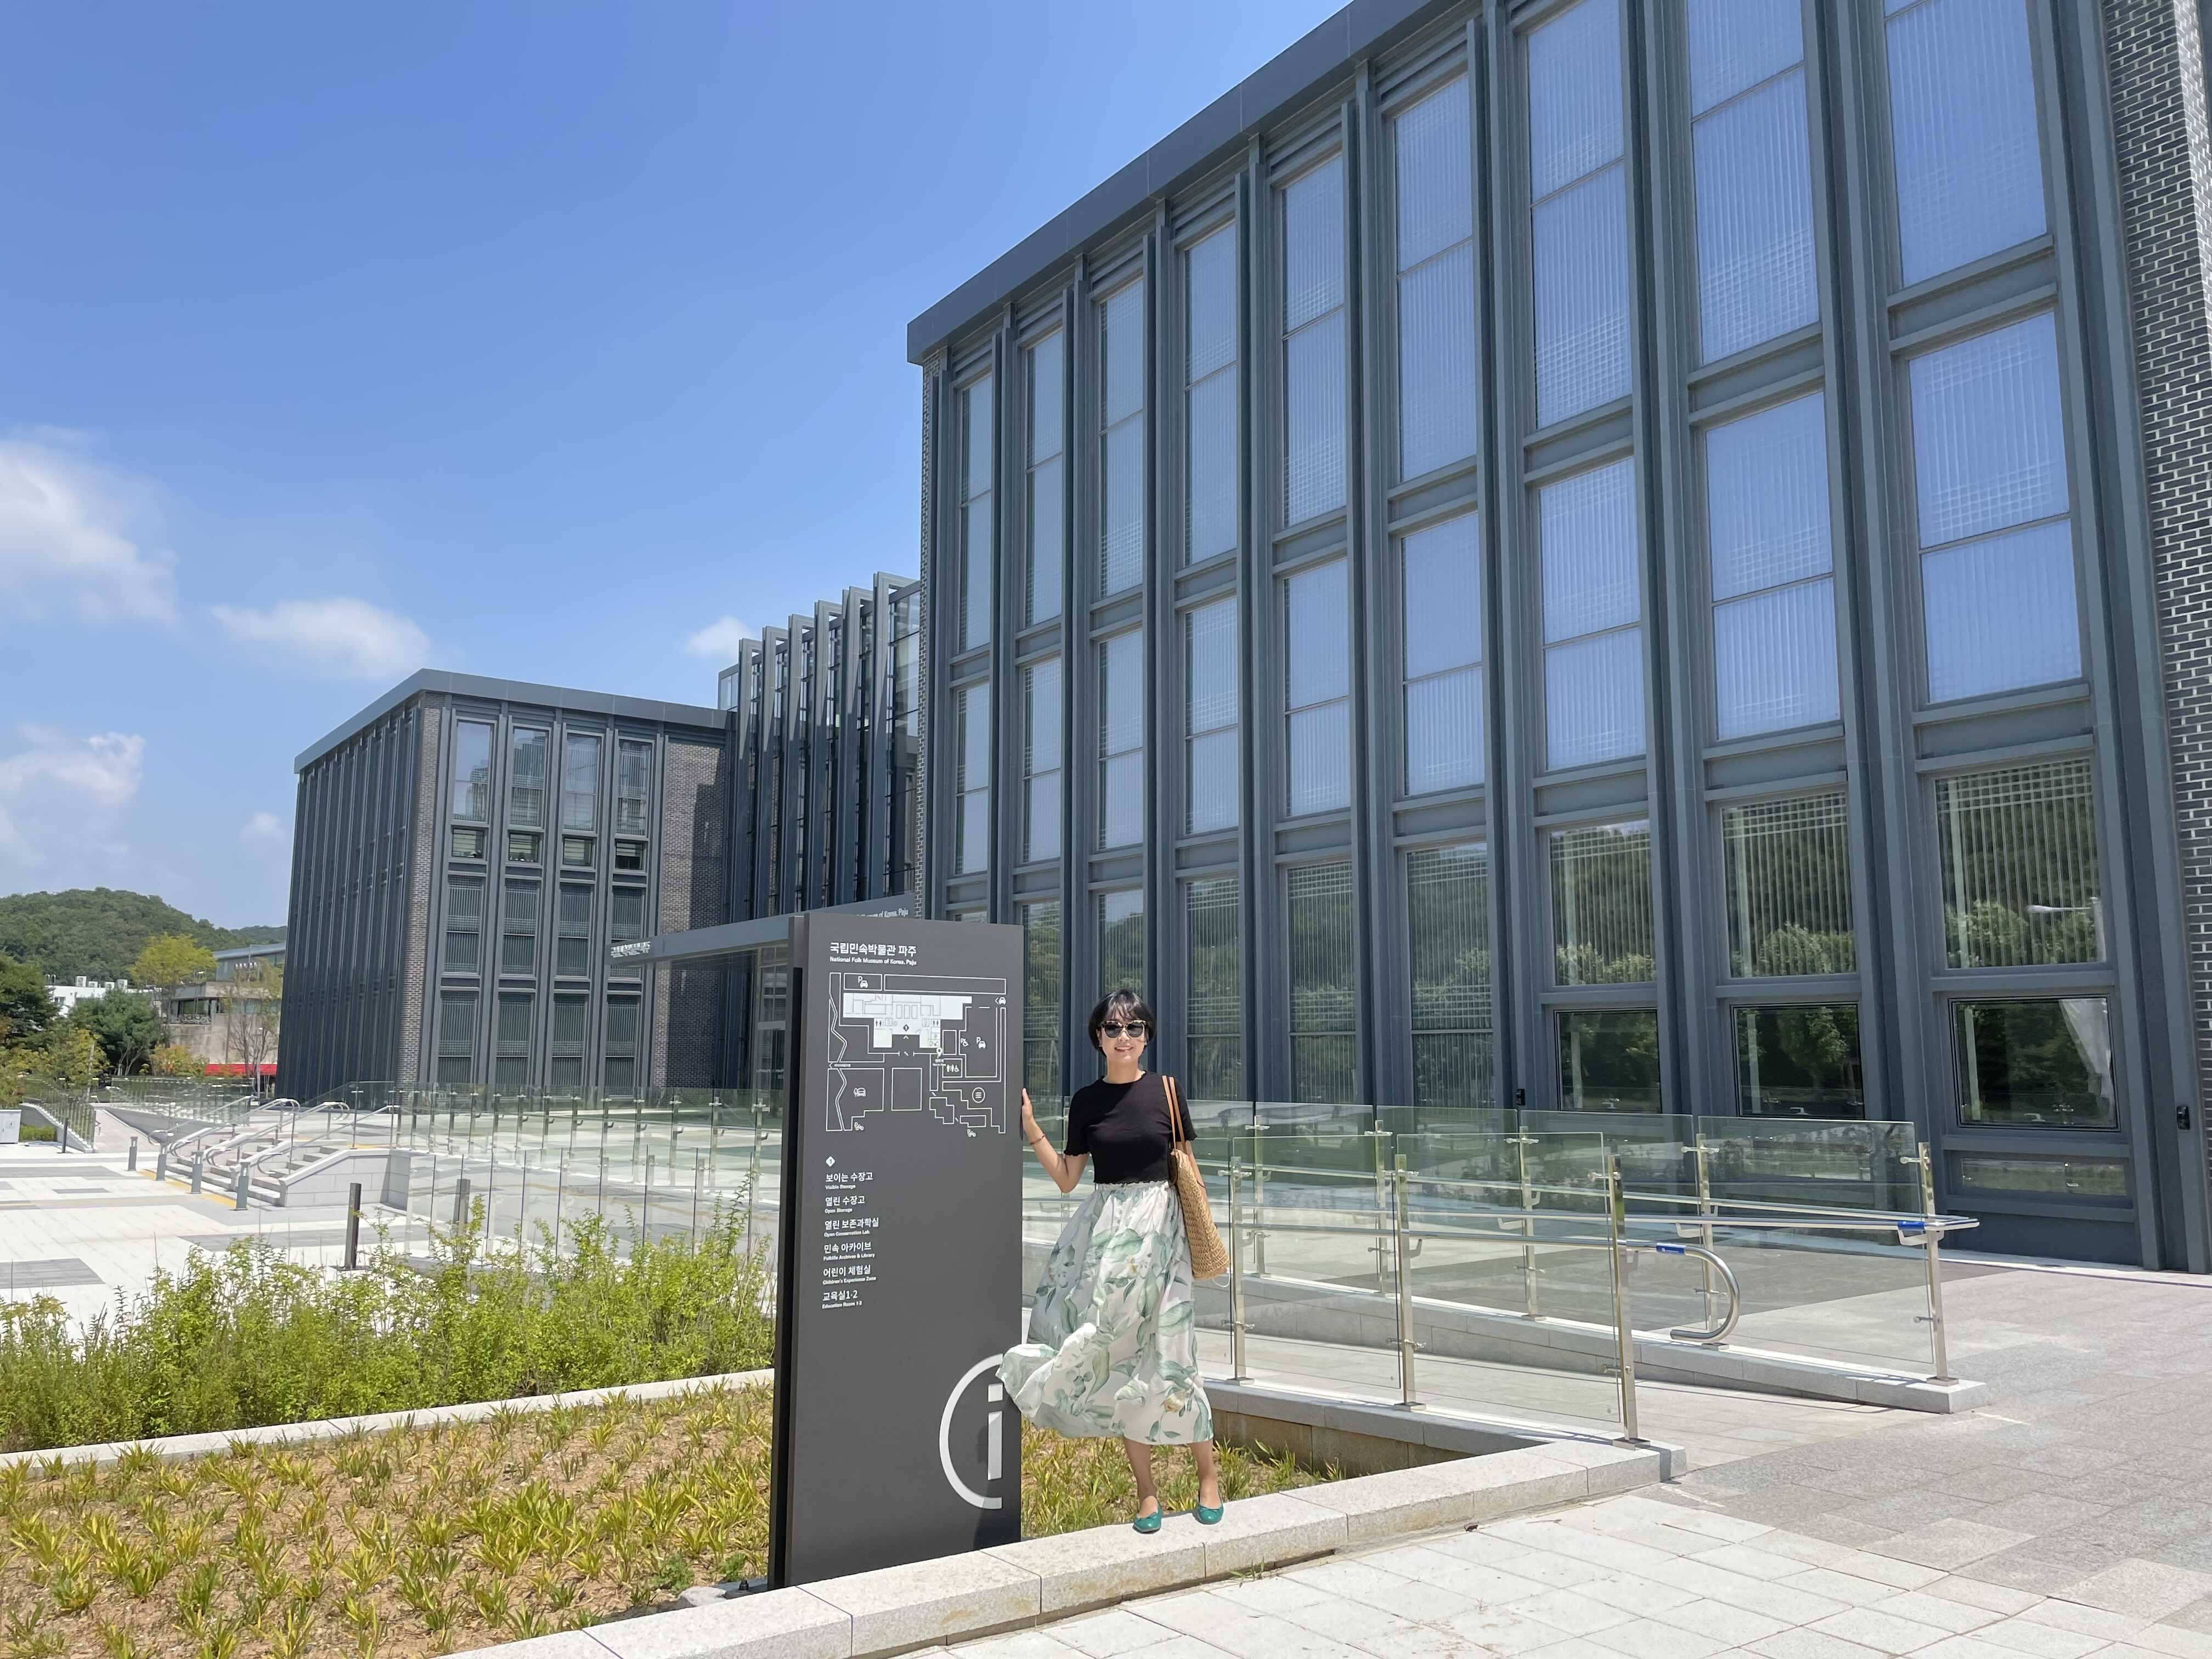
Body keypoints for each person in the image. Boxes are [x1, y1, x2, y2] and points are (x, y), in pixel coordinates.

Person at [998, 988, 1223, 1533]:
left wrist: (1202, 1235)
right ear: (1097, 1038)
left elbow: (1188, 1167)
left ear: (1147, 1036)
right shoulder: (1087, 1102)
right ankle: (1147, 1494)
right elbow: (1068, 1178)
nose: (1125, 1037)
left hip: (1162, 1241)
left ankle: (1208, 1477)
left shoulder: (1166, 1091)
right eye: (1114, 1028)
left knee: (1175, 1356)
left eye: (1135, 1028)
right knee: (1119, 1356)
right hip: (1108, 1244)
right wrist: (1032, 1130)